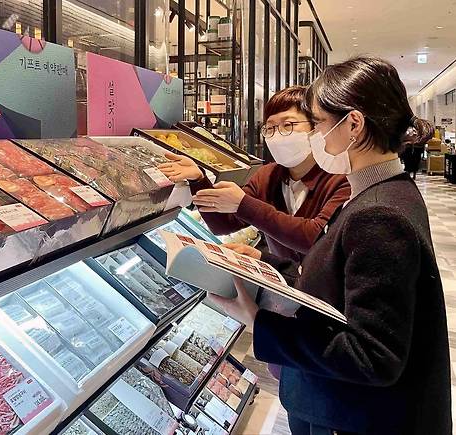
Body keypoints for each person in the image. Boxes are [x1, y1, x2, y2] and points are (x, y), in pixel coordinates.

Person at [211, 57, 451, 434]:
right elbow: (338, 280)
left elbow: (373, 356)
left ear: (353, 124)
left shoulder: (379, 216)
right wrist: (265, 261)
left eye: (319, 123)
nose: (315, 136)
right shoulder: (380, 192)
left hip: (351, 417)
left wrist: (259, 322)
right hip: (339, 406)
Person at [158, 86, 351, 266]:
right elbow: (224, 225)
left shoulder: (341, 177)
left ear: (315, 127)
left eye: (288, 124)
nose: (278, 136)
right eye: (270, 127)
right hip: (286, 284)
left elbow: (317, 239)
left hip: (328, 289)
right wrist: (198, 180)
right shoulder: (268, 175)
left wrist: (243, 204)